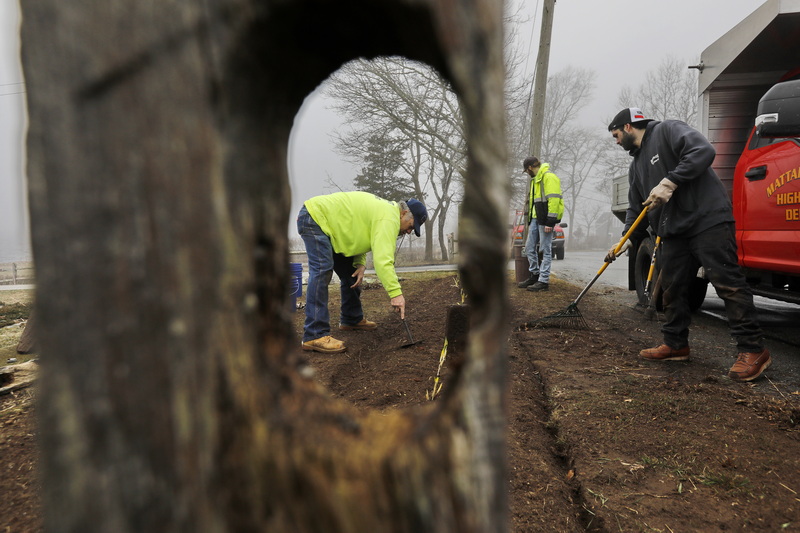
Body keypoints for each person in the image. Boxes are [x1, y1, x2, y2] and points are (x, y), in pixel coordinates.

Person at [606, 107, 770, 382]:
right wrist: (625, 241)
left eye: (616, 134)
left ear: (628, 126)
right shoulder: (636, 166)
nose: (616, 141)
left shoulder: (667, 130)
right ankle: (675, 344)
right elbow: (637, 210)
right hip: (673, 233)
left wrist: (670, 181)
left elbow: (703, 151)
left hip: (708, 221)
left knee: (728, 284)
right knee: (672, 289)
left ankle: (753, 350)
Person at [297, 191, 428, 353]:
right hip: (315, 217)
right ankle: (314, 334)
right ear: (404, 213)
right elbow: (383, 261)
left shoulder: (384, 213)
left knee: (351, 272)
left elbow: (357, 233)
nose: (409, 232)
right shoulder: (388, 218)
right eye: (410, 226)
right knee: (322, 271)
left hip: (331, 226)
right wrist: (396, 294)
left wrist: (360, 264)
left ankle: (351, 319)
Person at [517, 156, 564, 292]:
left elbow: (554, 200)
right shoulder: (535, 180)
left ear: (530, 167)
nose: (527, 173)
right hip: (536, 219)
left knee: (545, 250)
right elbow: (535, 202)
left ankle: (543, 281)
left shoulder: (549, 177)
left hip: (545, 221)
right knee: (529, 248)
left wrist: (550, 221)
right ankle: (535, 275)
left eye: (526, 171)